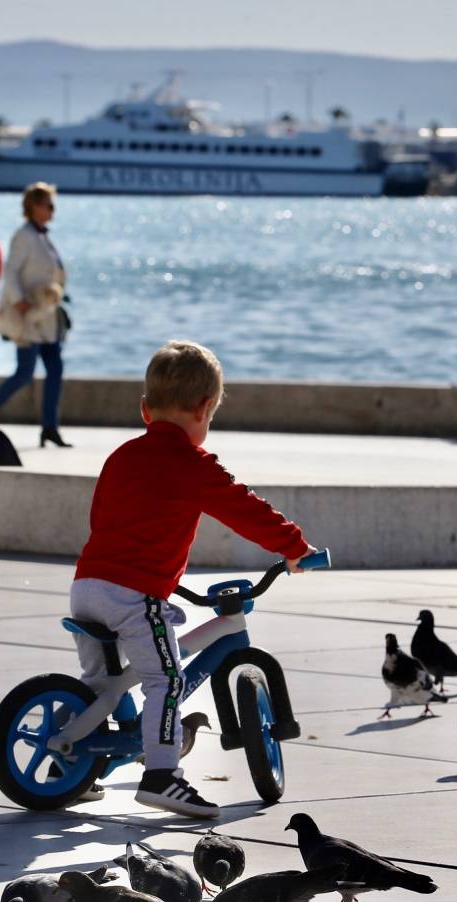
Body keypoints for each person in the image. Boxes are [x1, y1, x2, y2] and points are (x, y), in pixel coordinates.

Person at [70, 340, 316, 818]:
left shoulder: (122, 456)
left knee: (103, 686)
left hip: (87, 587)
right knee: (165, 678)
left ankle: (79, 770)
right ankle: (162, 775)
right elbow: (246, 509)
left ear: (146, 410)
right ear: (206, 409)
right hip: (131, 595)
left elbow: (106, 519)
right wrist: (294, 548)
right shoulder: (193, 464)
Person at [0, 181, 70, 447]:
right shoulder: (24, 236)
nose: (52, 210)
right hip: (29, 315)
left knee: (55, 369)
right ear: (34, 206)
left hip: (46, 316)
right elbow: (10, 271)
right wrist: (19, 301)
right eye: (48, 205)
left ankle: (50, 427)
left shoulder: (42, 236)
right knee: (25, 372)